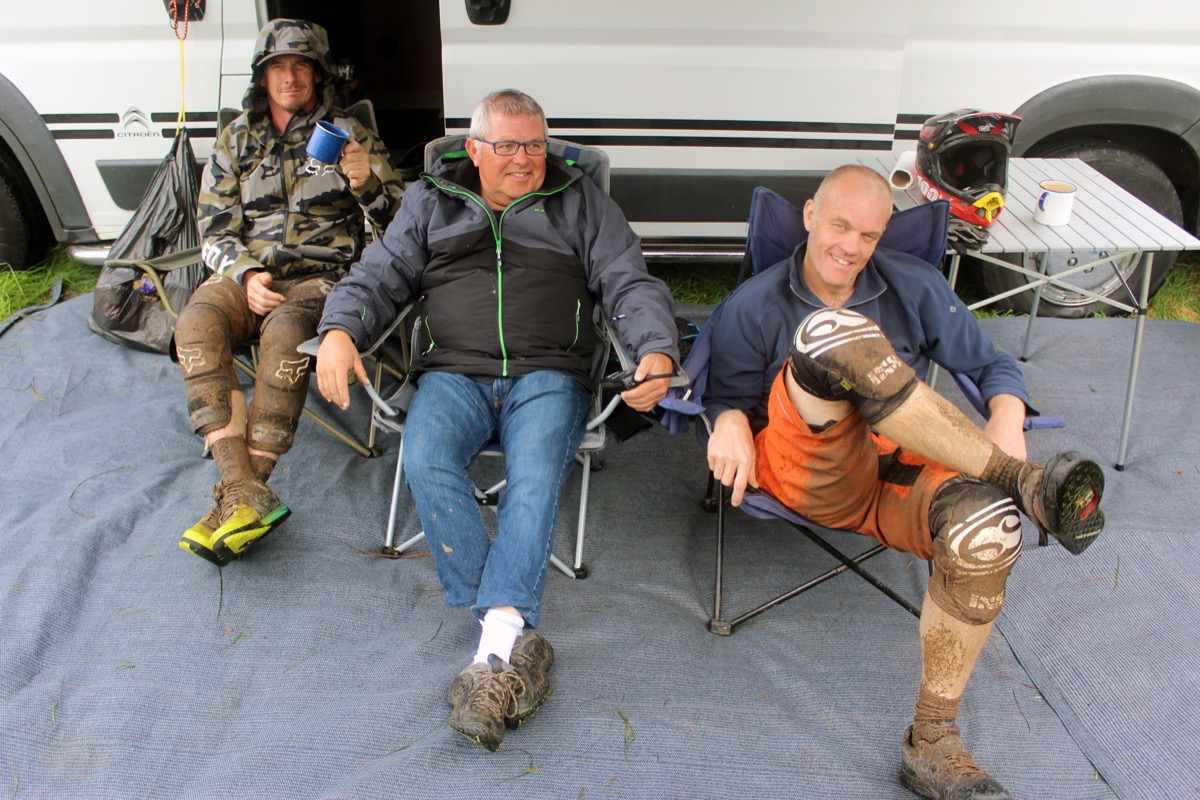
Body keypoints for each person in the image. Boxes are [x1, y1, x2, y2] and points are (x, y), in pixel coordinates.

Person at [704, 165, 1105, 800]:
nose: (851, 247)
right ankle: (1023, 482)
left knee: (988, 529)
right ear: (809, 216)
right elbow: (723, 394)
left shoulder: (914, 284)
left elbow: (993, 364)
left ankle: (932, 740)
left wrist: (1006, 413)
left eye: (868, 235)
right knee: (831, 335)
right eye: (840, 226)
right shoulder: (755, 303)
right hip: (810, 464)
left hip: (905, 465)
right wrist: (726, 419)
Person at [316, 89, 679, 752]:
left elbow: (628, 280)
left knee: (534, 475)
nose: (524, 159)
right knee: (425, 458)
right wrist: (340, 330)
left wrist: (654, 347)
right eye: (508, 145)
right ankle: (510, 631)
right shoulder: (432, 201)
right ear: (474, 150)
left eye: (534, 144)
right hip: (453, 371)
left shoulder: (580, 200)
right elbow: (379, 274)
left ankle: (494, 649)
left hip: (549, 372)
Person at [174, 19, 403, 566]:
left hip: (321, 279)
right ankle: (243, 492)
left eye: (302, 66)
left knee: (286, 334)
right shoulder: (236, 139)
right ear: (263, 76)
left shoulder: (349, 134)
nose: (291, 77)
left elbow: (399, 228)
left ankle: (240, 493)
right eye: (279, 66)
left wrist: (365, 182)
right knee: (195, 324)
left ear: (318, 75)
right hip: (247, 275)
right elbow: (213, 230)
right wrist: (246, 276)